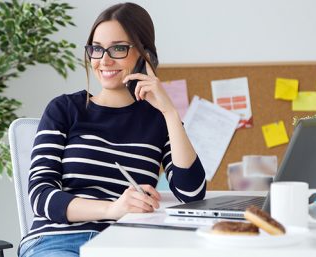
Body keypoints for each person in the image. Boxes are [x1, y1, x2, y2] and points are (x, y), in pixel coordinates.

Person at [18, 2, 206, 257]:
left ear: (144, 56)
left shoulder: (158, 120)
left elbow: (192, 193)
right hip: (58, 241)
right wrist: (112, 209)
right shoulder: (64, 109)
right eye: (97, 49)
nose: (104, 60)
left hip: (126, 244)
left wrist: (170, 113)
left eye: (118, 48)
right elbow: (40, 196)